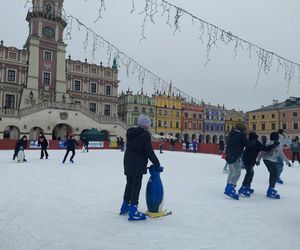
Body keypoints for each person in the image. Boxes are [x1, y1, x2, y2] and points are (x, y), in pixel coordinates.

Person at [119, 115, 160, 221]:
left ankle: (124, 206)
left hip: (128, 160)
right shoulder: (145, 135)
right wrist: (157, 163)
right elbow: (149, 151)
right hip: (137, 162)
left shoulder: (131, 132)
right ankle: (133, 210)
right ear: (146, 125)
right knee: (136, 185)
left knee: (129, 183)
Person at [238, 131, 277, 197]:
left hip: (247, 159)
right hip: (249, 160)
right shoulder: (256, 142)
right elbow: (265, 148)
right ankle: (243, 188)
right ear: (255, 136)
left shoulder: (250, 141)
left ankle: (247, 186)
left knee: (250, 173)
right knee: (249, 173)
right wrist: (273, 145)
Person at [224, 122, 254, 200]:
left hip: (228, 155)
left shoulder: (231, 133)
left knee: (231, 172)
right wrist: (253, 140)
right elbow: (248, 145)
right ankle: (230, 188)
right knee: (237, 172)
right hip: (235, 155)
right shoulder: (241, 135)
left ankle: (228, 186)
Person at [257, 132, 291, 199]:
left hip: (266, 160)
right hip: (272, 161)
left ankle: (271, 188)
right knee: (274, 175)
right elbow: (281, 154)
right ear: (276, 137)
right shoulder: (275, 144)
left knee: (272, 174)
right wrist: (287, 162)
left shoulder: (268, 142)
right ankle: (270, 191)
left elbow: (262, 151)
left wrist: (258, 160)